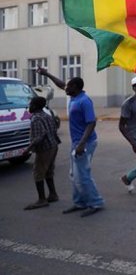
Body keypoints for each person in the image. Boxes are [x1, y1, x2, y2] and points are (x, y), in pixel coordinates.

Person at [36, 67, 104, 217]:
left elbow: (91, 123)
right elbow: (61, 84)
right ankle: (79, 202)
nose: (65, 88)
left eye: (69, 86)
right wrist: (46, 73)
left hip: (85, 143)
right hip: (76, 143)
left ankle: (96, 202)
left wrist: (81, 144)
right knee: (74, 174)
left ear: (77, 88)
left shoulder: (84, 101)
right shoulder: (73, 97)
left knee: (83, 175)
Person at [23, 96, 60, 210]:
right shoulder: (47, 116)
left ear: (35, 106)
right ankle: (53, 194)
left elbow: (39, 137)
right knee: (48, 170)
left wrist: (28, 149)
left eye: (30, 104)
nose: (29, 106)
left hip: (45, 149)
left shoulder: (36, 119)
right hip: (54, 145)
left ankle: (42, 200)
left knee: (38, 173)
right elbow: (53, 130)